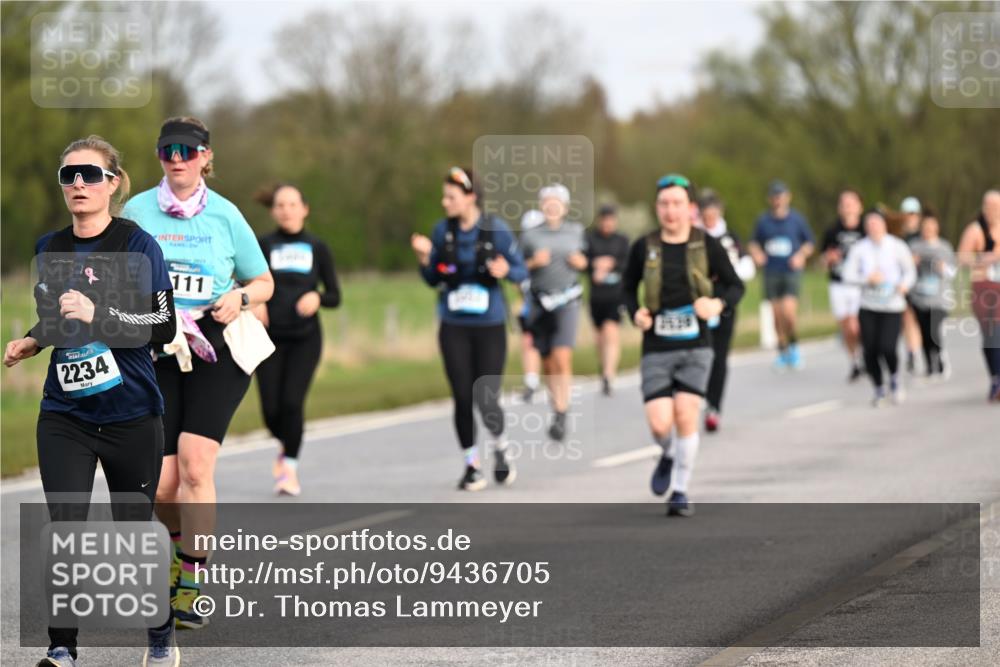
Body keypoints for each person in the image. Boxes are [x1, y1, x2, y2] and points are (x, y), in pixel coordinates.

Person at [3, 136, 179, 666]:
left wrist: (97, 314)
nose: (78, 183)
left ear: (113, 182)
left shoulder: (137, 245)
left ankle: (160, 633)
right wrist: (36, 337)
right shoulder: (48, 248)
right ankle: (63, 648)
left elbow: (162, 325)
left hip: (131, 413)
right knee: (65, 529)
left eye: (89, 174)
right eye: (68, 176)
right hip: (66, 414)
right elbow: (60, 317)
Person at [122, 116, 274, 630]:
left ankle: (191, 577)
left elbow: (264, 281)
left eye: (188, 150)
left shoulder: (227, 217)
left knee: (194, 465)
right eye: (168, 150)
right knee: (163, 486)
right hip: (159, 347)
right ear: (159, 156)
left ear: (207, 156)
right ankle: (180, 548)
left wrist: (240, 296)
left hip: (217, 345)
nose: (178, 158)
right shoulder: (137, 210)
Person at [623, 174, 744, 517]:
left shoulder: (706, 245)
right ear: (656, 208)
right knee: (661, 424)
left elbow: (735, 287)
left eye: (677, 203)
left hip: (697, 344)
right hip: (657, 346)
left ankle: (680, 490)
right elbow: (626, 288)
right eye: (664, 204)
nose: (670, 210)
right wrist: (636, 313)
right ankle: (669, 452)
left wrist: (717, 305)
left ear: (690, 208)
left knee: (686, 414)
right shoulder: (643, 247)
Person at [410, 167, 527, 490]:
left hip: (489, 326)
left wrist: (507, 270)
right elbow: (433, 279)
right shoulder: (441, 232)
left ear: (471, 197)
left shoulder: (497, 230)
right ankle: (471, 465)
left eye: (451, 196)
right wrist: (424, 260)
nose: (444, 202)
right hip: (454, 325)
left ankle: (501, 448)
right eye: (444, 196)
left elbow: (520, 270)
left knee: (486, 397)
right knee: (462, 396)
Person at [253, 183, 341, 496]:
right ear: (273, 211)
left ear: (304, 209)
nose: (286, 210)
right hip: (268, 337)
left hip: (305, 337)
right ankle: (286, 441)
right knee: (271, 410)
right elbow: (247, 281)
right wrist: (257, 300)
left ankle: (289, 466)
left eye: (292, 204)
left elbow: (334, 295)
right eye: (280, 205)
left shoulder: (318, 247)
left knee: (292, 402)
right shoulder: (262, 245)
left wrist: (317, 298)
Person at [521, 184, 588, 441]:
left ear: (565, 207)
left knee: (562, 357)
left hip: (567, 300)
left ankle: (562, 412)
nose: (552, 206)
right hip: (540, 302)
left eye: (556, 202)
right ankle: (555, 406)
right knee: (548, 362)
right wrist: (533, 263)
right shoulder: (530, 235)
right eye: (547, 202)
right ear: (541, 205)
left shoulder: (576, 232)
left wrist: (583, 263)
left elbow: (587, 261)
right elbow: (518, 269)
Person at [841, 210, 917, 406]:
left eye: (877, 224)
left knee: (887, 347)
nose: (874, 228)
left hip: (892, 305)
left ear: (884, 226)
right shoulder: (860, 249)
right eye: (870, 225)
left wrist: (904, 285)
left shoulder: (897, 246)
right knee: (870, 350)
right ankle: (878, 388)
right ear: (866, 228)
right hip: (868, 305)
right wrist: (866, 279)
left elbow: (910, 272)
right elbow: (847, 275)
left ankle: (894, 378)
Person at [695, 189, 755, 432]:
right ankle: (696, 395)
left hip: (725, 303)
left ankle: (714, 406)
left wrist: (730, 274)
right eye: (705, 215)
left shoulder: (731, 237)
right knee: (700, 356)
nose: (710, 219)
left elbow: (746, 267)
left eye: (713, 214)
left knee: (719, 357)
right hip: (699, 305)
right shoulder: (693, 237)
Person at [749, 180, 815, 371]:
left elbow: (809, 242)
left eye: (781, 196)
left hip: (790, 271)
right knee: (776, 315)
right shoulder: (763, 221)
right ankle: (782, 350)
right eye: (775, 196)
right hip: (772, 271)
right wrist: (757, 254)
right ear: (771, 199)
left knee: (789, 312)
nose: (778, 200)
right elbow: (753, 242)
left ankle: (794, 346)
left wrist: (801, 255)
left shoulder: (796, 219)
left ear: (788, 197)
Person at [957, 189, 1000, 402]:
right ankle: (995, 377)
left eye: (996, 207)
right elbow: (962, 258)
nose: (992, 211)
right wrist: (984, 260)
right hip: (982, 286)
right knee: (989, 335)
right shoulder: (975, 230)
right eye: (988, 206)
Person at [821, 189, 867, 381]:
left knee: (856, 326)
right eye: (844, 203)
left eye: (851, 203)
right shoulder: (832, 231)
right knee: (846, 327)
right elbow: (823, 260)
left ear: (859, 206)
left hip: (859, 285)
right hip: (838, 283)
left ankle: (866, 353)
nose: (847, 207)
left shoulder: (866, 229)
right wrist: (828, 259)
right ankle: (855, 360)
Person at [584, 204, 630, 396]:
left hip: (616, 294)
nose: (607, 223)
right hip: (597, 295)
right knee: (599, 336)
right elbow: (582, 262)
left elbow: (628, 264)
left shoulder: (622, 240)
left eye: (610, 219)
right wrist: (594, 265)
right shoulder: (590, 239)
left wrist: (611, 264)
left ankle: (608, 374)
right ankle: (603, 367)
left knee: (611, 332)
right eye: (604, 219)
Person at [909, 212, 957, 380]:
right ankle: (929, 365)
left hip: (939, 298)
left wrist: (943, 268)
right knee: (924, 332)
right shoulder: (914, 246)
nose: (928, 229)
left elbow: (953, 272)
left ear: (937, 227)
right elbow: (905, 271)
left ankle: (940, 358)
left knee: (934, 330)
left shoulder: (944, 247)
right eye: (925, 226)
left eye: (931, 226)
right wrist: (911, 262)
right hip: (920, 297)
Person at [517, 209, 544, 402]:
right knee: (528, 339)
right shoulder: (522, 251)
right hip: (531, 300)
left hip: (553, 302)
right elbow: (517, 275)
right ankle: (531, 381)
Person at [899, 196, 925, 374]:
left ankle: (925, 350)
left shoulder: (924, 233)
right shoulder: (899, 235)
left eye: (913, 213)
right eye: (907, 213)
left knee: (921, 320)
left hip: (924, 282)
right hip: (906, 282)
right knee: (908, 318)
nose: (910, 217)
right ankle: (912, 353)